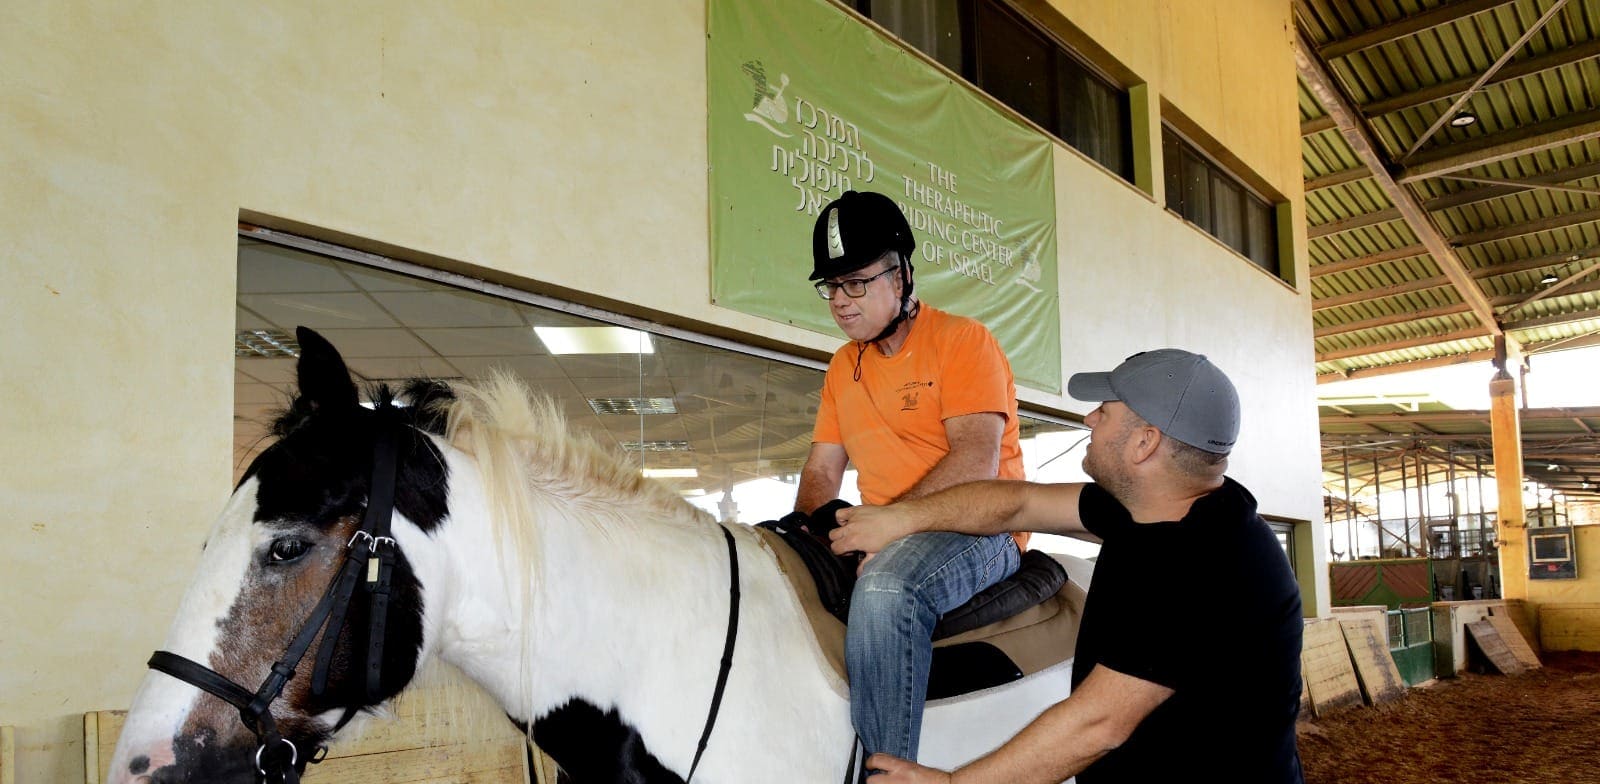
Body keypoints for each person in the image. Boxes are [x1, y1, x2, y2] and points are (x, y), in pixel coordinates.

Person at [828, 349, 1305, 783]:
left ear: (1144, 443)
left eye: (1105, 411)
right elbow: (1017, 504)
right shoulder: (1151, 505)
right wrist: (901, 518)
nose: (1089, 416)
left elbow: (1097, 724)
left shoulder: (1209, 564)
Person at [793, 189, 1029, 764]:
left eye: (856, 282)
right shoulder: (840, 367)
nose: (841, 302)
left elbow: (976, 460)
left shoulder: (962, 342)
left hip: (984, 528)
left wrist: (890, 526)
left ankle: (886, 773)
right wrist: (799, 531)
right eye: (831, 286)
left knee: (887, 589)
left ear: (900, 277)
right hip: (890, 523)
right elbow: (823, 468)